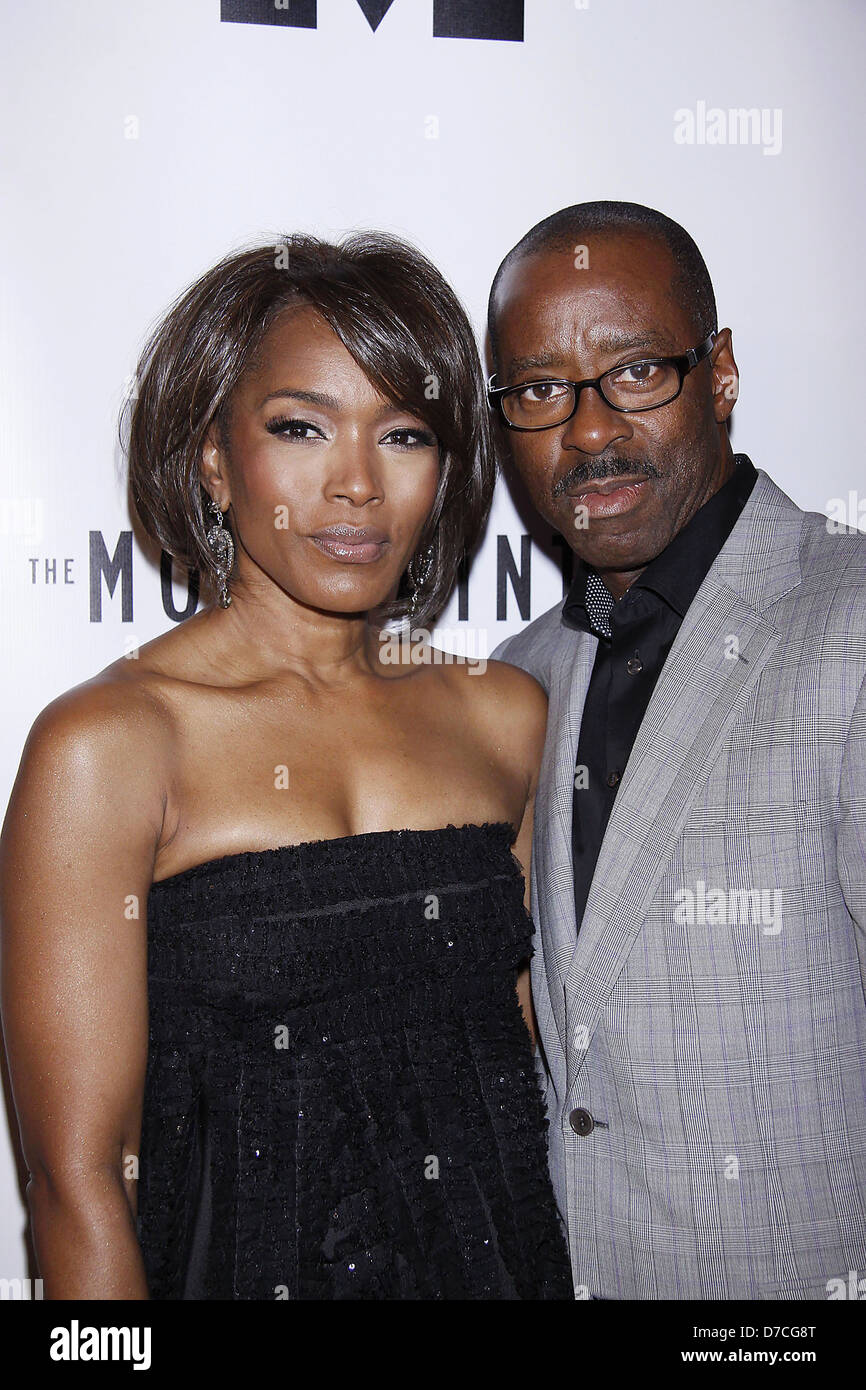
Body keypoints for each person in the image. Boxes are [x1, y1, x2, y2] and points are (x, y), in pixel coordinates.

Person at [0, 232, 572, 1300]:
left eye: (402, 434)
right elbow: (76, 1186)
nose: (354, 484)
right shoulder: (112, 746)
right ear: (214, 459)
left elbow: (547, 1078)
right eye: (300, 427)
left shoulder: (503, 718)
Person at [488, 200, 866, 1300]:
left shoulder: (845, 619)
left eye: (634, 371)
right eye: (539, 389)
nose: (589, 430)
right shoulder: (515, 678)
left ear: (721, 372)